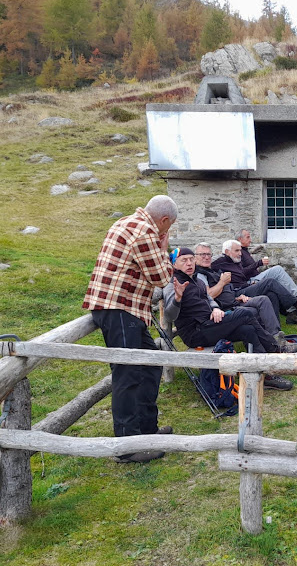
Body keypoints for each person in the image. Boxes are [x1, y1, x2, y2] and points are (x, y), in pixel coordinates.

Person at [83, 195, 176, 464]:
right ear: (164, 220)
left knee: (150, 365)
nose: (166, 232)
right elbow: (162, 277)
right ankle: (126, 446)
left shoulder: (125, 221)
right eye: (168, 227)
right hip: (120, 309)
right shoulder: (145, 231)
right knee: (128, 373)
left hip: (123, 309)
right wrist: (164, 249)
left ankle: (146, 430)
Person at [163, 247, 295, 390]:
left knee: (248, 330)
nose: (189, 263)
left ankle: (265, 375)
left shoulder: (197, 281)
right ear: (174, 264)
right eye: (184, 260)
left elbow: (209, 299)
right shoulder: (173, 285)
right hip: (195, 333)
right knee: (245, 313)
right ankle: (276, 349)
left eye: (191, 259)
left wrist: (215, 308)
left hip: (209, 324)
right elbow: (170, 316)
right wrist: (177, 298)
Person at [193, 242, 288, 340]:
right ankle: (274, 336)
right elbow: (209, 295)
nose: (206, 257)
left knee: (266, 297)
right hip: (224, 310)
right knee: (267, 287)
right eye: (202, 254)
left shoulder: (212, 270)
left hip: (235, 299)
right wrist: (222, 282)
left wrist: (237, 297)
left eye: (209, 254)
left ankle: (275, 335)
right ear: (195, 257)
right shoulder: (199, 275)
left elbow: (226, 292)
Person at [212, 240, 297, 322]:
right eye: (237, 251)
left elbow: (240, 277)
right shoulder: (220, 262)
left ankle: (276, 329)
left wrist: (251, 283)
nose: (240, 253)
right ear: (227, 252)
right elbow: (207, 264)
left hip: (246, 286)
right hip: (238, 293)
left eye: (240, 250)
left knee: (271, 294)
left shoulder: (236, 262)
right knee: (270, 282)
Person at [235, 228, 297, 298]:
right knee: (277, 270)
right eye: (248, 237)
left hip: (256, 277)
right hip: (251, 281)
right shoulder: (238, 253)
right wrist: (259, 263)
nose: (250, 240)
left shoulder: (245, 251)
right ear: (240, 239)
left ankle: (292, 300)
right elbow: (241, 272)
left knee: (279, 277)